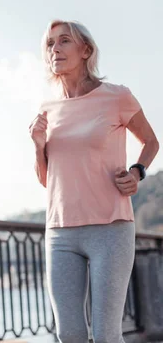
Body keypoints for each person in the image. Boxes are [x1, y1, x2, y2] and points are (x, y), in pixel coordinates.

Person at [29, 20, 159, 343]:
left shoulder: (116, 97)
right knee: (69, 333)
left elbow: (151, 142)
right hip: (60, 233)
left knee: (105, 335)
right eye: (49, 44)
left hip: (110, 228)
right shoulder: (47, 110)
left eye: (63, 41)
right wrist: (37, 144)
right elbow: (47, 180)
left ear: (85, 50)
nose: (54, 49)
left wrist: (136, 172)